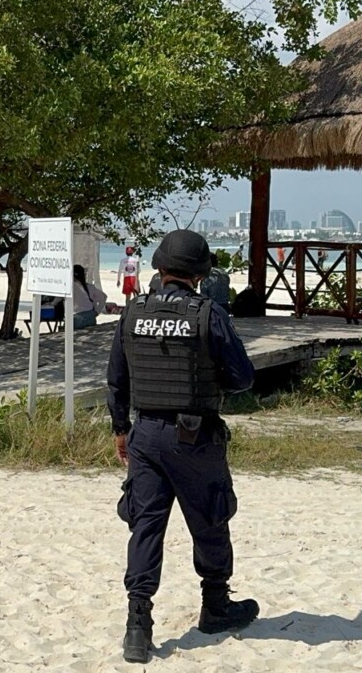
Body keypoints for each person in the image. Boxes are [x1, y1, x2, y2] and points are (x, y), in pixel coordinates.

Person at [107, 229, 258, 664]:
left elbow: (117, 379)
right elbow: (243, 377)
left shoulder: (132, 313)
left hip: (146, 435)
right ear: (200, 272)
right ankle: (215, 605)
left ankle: (138, 625)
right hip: (195, 436)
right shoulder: (208, 313)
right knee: (210, 516)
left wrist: (122, 431)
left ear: (160, 266)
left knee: (146, 524)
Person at [73, 264, 108, 329]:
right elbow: (104, 297)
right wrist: (97, 311)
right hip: (90, 315)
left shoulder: (71, 288)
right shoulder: (90, 287)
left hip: (77, 316)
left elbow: (59, 298)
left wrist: (52, 303)